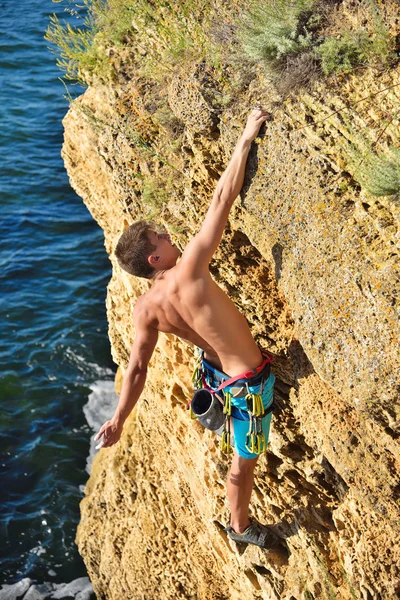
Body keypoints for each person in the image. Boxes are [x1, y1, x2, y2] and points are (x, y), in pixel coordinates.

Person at [95, 108, 280, 549]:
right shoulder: (192, 268)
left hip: (214, 376)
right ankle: (241, 530)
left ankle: (232, 483)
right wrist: (246, 136)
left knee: (237, 450)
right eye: (161, 238)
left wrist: (119, 418)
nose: (169, 237)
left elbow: (137, 369)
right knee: (245, 460)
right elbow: (222, 198)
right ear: (154, 258)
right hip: (248, 382)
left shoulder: (146, 308)